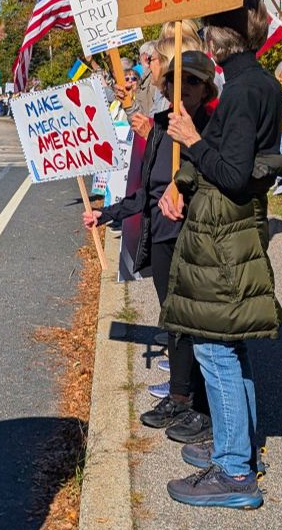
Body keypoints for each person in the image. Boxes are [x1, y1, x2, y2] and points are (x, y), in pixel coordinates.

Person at [159, 0, 282, 509]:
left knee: (215, 345)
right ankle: (239, 446)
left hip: (224, 230)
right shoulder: (256, 83)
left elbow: (234, 175)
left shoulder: (240, 91)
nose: (205, 35)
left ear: (219, 36)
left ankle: (235, 473)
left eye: (209, 26)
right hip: (231, 228)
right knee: (229, 342)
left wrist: (190, 137)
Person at [85, 51, 216, 442]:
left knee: (198, 322)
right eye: (176, 82)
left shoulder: (210, 126)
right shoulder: (160, 126)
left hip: (195, 236)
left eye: (193, 82)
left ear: (206, 88)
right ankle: (179, 396)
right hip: (161, 236)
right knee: (173, 320)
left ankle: (205, 406)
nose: (183, 89)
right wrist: (105, 214)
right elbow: (144, 191)